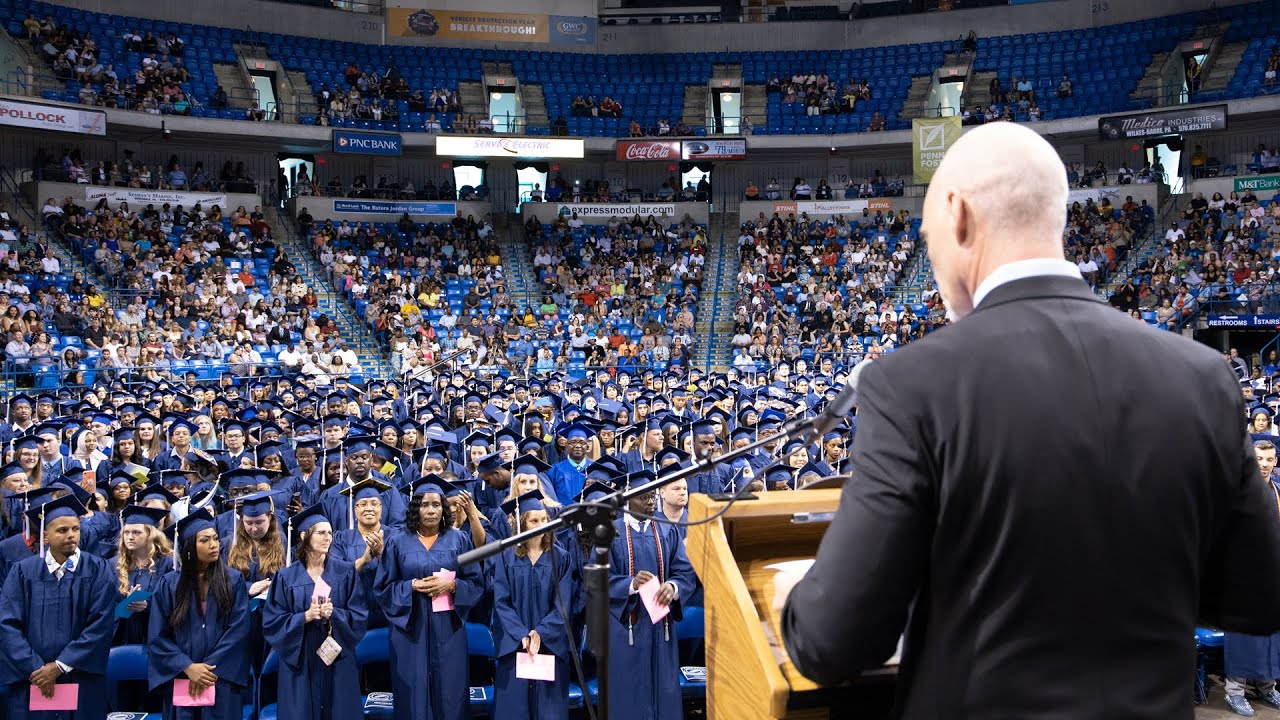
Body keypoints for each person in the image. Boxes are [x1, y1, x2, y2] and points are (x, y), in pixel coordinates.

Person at [780, 121, 1280, 717]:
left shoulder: (914, 385)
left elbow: (834, 641)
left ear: (958, 215)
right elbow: (1261, 594)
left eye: (927, 234)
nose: (930, 254)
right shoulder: (1202, 378)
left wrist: (798, 600)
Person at [0, 494, 118, 720]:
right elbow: (7, 623)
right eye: (62, 530)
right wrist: (36, 667)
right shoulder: (24, 571)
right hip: (32, 678)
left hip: (81, 676)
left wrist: (61, 666)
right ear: (45, 535)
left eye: (75, 529)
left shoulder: (98, 569)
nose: (71, 535)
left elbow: (102, 623)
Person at [374, 477, 483, 720]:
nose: (431, 510)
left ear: (444, 509)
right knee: (412, 694)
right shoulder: (397, 541)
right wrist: (410, 586)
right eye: (424, 505)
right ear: (415, 509)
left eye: (436, 504)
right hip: (410, 629)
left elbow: (476, 583)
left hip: (448, 628)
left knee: (450, 692)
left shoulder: (459, 540)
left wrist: (453, 584)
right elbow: (382, 588)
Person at [262, 504, 368, 720]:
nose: (327, 537)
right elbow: (272, 622)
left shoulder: (345, 571)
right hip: (301, 659)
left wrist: (335, 614)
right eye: (321, 533)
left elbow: (359, 615)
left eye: (330, 533)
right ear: (304, 536)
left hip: (337, 656)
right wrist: (305, 617)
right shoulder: (285, 577)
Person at [607, 475, 696, 720]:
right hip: (627, 628)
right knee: (628, 695)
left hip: (661, 627)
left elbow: (684, 571)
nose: (650, 503)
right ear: (627, 500)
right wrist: (629, 585)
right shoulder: (610, 534)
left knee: (663, 692)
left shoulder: (667, 530)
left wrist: (674, 587)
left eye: (652, 497)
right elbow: (598, 579)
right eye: (643, 497)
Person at [148, 508, 250, 720]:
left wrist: (206, 671)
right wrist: (187, 667)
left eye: (215, 538)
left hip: (221, 678)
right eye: (205, 540)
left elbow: (238, 630)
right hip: (182, 678)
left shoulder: (233, 580)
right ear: (189, 548)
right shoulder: (169, 584)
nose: (214, 545)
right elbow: (158, 636)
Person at [490, 491, 575, 719]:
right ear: (521, 523)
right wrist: (522, 635)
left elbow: (563, 603)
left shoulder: (561, 557)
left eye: (544, 519)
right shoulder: (506, 556)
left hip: (549, 645)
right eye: (534, 520)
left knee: (548, 709)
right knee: (514, 708)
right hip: (514, 644)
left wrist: (541, 633)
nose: (540, 524)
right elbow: (501, 601)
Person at [1222, 439, 1280, 716]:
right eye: (1259, 459)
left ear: (1276, 461)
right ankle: (1235, 692)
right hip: (1242, 577)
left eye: (1269, 459)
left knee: (1271, 635)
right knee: (1243, 635)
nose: (1265, 464)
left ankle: (1267, 688)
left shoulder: (1278, 492)